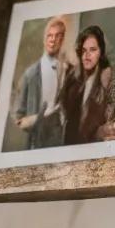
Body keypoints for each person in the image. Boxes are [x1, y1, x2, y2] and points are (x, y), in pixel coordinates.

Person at [59, 25, 115, 145]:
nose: (87, 55)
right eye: (84, 50)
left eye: (93, 50)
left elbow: (106, 126)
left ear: (101, 53)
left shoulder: (107, 82)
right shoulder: (74, 82)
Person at [11, 17, 68, 151]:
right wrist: (37, 119)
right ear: (44, 39)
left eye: (57, 36)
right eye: (49, 35)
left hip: (59, 141)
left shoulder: (66, 70)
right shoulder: (30, 74)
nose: (53, 39)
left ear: (62, 40)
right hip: (37, 142)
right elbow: (18, 117)